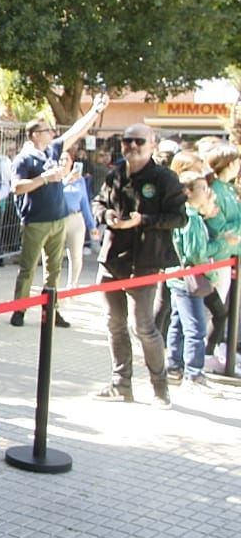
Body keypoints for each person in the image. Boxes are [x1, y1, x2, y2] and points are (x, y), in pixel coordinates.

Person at [92, 123, 186, 408]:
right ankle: (121, 384)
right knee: (114, 324)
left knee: (143, 326)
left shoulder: (164, 178)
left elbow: (179, 218)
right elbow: (98, 201)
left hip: (145, 261)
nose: (132, 146)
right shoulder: (115, 174)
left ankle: (160, 388)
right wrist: (106, 214)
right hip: (111, 260)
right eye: (127, 140)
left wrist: (143, 220)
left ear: (152, 144)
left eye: (138, 141)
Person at [9, 97, 108, 327]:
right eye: (46, 130)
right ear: (34, 134)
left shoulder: (52, 150)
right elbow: (16, 187)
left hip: (58, 218)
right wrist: (44, 179)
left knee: (54, 269)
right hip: (36, 221)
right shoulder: (24, 159)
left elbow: (76, 131)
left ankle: (51, 311)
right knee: (28, 268)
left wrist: (95, 110)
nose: (52, 133)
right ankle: (19, 310)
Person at [165, 169, 217, 392]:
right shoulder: (192, 219)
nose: (206, 193)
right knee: (196, 328)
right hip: (190, 278)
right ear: (187, 191)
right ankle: (194, 373)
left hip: (176, 276)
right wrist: (212, 268)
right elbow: (197, 253)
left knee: (177, 322)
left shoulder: (179, 214)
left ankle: (173, 366)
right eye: (202, 188)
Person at [199, 144, 241, 365]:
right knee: (219, 308)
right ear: (231, 164)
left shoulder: (230, 189)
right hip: (219, 257)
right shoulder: (215, 190)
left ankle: (215, 350)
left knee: (224, 306)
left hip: (230, 255)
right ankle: (207, 353)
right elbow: (218, 226)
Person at [59, 149, 97, 290]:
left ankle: (73, 283)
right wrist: (65, 182)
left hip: (76, 218)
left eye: (66, 159)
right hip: (59, 218)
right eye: (61, 159)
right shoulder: (55, 177)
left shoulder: (80, 180)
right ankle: (51, 283)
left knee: (75, 254)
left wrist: (91, 225)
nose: (63, 162)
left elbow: (85, 203)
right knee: (55, 254)